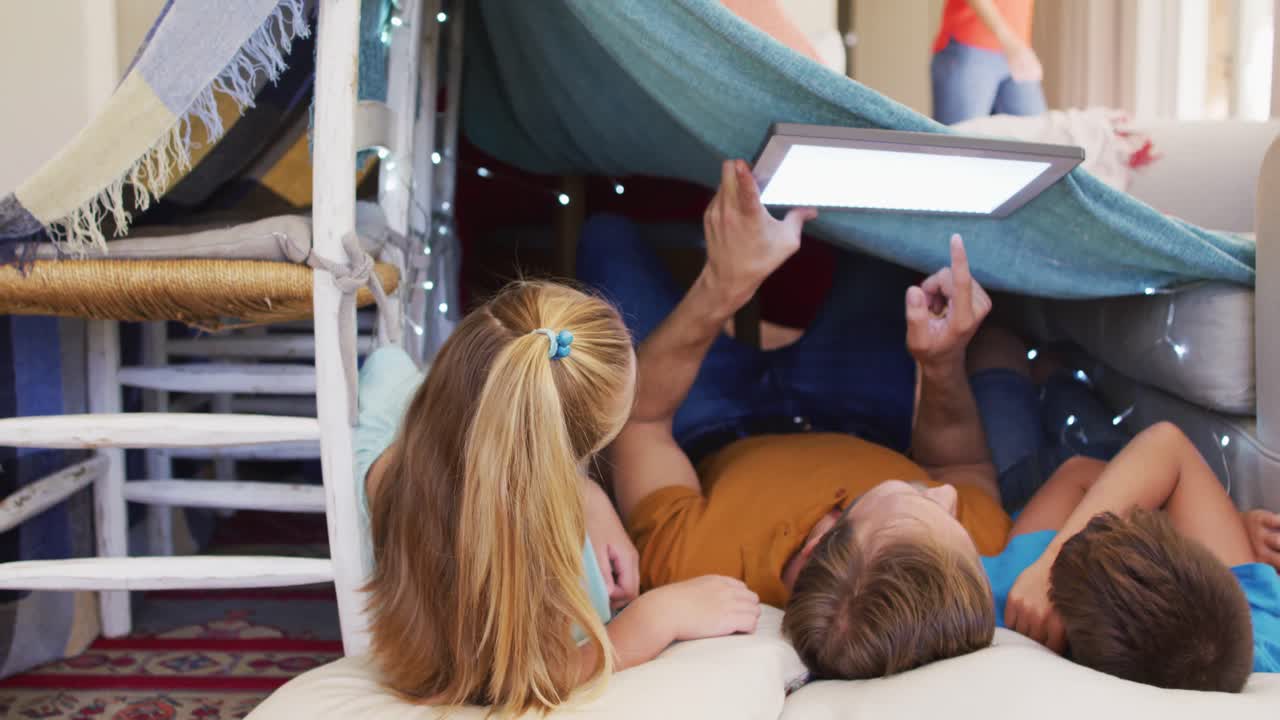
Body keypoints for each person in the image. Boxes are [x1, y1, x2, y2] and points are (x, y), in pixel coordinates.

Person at [579, 159, 1025, 680]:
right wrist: (942, 362)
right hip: (860, 412)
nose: (946, 496)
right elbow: (962, 464)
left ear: (818, 545)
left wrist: (723, 287)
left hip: (709, 420)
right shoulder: (959, 560)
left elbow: (641, 423)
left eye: (917, 497)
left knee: (603, 236)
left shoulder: (697, 564)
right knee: (885, 235)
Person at [353, 281, 761, 715]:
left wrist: (587, 496)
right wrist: (655, 617)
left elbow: (391, 365)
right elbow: (530, 677)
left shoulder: (383, 435)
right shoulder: (549, 580)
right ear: (591, 444)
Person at [983, 421, 1280, 689]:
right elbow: (1167, 445)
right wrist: (1231, 523)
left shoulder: (1012, 593)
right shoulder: (1254, 637)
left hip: (1026, 478)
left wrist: (1049, 563)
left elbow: (1076, 473)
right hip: (1122, 463)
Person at [931, 0, 1046, 125]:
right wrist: (1010, 42)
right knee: (960, 140)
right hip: (969, 45)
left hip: (1016, 49)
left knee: (1036, 135)